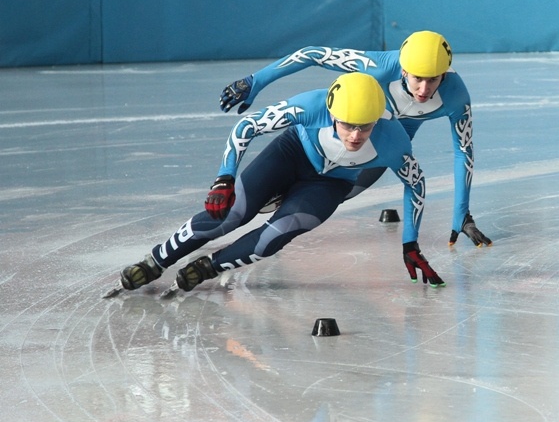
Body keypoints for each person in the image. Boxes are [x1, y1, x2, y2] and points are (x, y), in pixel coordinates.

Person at [105, 72, 444, 298]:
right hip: (291, 155)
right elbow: (247, 127)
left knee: (279, 232)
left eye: (365, 127)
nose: (356, 136)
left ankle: (209, 267)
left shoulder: (393, 141)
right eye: (347, 125)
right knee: (231, 213)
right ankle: (155, 262)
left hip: (330, 183)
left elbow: (416, 186)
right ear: (331, 113)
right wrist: (224, 177)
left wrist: (410, 243)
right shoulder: (310, 106)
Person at [218, 30, 492, 248]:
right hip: (342, 130)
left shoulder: (455, 95)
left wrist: (462, 213)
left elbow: (463, 152)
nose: (424, 89)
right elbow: (312, 54)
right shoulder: (380, 67)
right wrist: (256, 81)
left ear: (444, 74)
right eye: (418, 78)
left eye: (434, 80)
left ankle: (267, 234)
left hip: (377, 149)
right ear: (404, 69)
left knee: (331, 195)